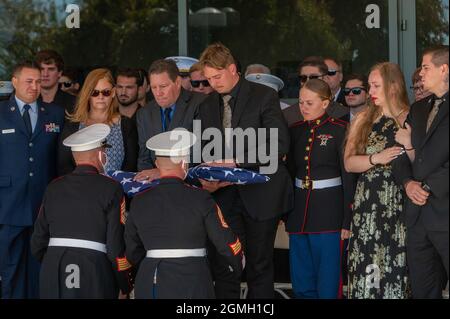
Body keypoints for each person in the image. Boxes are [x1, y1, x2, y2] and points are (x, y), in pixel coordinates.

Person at [197, 43, 293, 299]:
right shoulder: (206, 105)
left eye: (217, 76)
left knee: (259, 267)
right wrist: (208, 178)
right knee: (224, 266)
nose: (213, 83)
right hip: (223, 196)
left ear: (232, 69)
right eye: (208, 79)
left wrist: (236, 162)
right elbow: (202, 152)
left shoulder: (263, 96)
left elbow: (279, 144)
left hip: (262, 194)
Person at [125, 129, 243, 299]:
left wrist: (149, 264)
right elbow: (224, 241)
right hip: (193, 278)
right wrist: (238, 263)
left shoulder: (139, 200)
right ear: (184, 163)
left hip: (151, 279)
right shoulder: (200, 197)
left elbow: (131, 249)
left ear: (157, 164)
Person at [31, 124, 132, 298]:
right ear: (100, 154)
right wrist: (125, 283)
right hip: (94, 271)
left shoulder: (54, 187)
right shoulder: (112, 188)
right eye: (104, 151)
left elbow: (37, 243)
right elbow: (115, 247)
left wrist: (52, 262)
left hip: (54, 269)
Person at [344, 62, 410, 299]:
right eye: (369, 85)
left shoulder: (410, 117)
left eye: (375, 85)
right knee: (367, 267)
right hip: (368, 203)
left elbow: (422, 161)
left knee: (394, 269)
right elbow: (349, 163)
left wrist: (409, 142)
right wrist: (376, 158)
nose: (370, 91)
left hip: (397, 203)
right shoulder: (363, 118)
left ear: (392, 86)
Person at [0, 61, 65, 298]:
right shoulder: (0, 113)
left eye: (38, 81)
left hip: (43, 204)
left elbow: (60, 161)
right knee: (10, 269)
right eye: (29, 81)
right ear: (14, 82)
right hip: (8, 205)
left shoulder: (56, 113)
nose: (35, 86)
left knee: (42, 269)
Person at [286, 79, 354, 299]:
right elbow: (289, 172)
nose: (303, 107)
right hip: (299, 214)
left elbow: (348, 178)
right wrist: (287, 212)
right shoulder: (295, 131)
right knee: (301, 281)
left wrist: (347, 219)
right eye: (300, 102)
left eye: (309, 102)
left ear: (325, 103)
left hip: (329, 215)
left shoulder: (340, 130)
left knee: (328, 282)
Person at [394, 45, 449, 299]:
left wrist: (427, 186)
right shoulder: (418, 109)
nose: (420, 73)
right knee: (423, 290)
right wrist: (407, 183)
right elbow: (401, 152)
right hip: (417, 217)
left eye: (426, 67)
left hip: (445, 209)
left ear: (444, 69)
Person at [135, 59, 206, 182]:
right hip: (156, 189)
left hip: (190, 185)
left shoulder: (201, 104)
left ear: (177, 82)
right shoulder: (144, 113)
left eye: (163, 86)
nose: (158, 93)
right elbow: (144, 158)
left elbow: (200, 152)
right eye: (154, 87)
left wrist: (162, 172)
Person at [57, 68, 138, 176]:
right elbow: (64, 166)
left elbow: (131, 166)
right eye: (95, 92)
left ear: (113, 93)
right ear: (87, 94)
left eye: (106, 92)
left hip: (116, 190)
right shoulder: (73, 125)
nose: (100, 97)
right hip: (81, 189)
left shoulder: (126, 125)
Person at [283, 56, 349, 126]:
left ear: (325, 79)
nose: (308, 82)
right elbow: (273, 134)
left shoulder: (343, 113)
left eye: (314, 77)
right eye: (303, 78)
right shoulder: (286, 114)